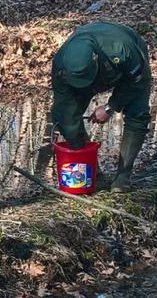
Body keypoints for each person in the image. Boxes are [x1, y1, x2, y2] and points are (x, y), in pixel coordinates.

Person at [51, 22, 151, 192]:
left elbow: (137, 81)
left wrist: (110, 107)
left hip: (126, 68)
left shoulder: (123, 50)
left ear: (95, 59)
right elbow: (64, 108)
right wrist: (68, 128)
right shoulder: (61, 65)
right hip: (88, 71)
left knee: (138, 114)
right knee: (67, 116)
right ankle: (91, 171)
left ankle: (123, 177)